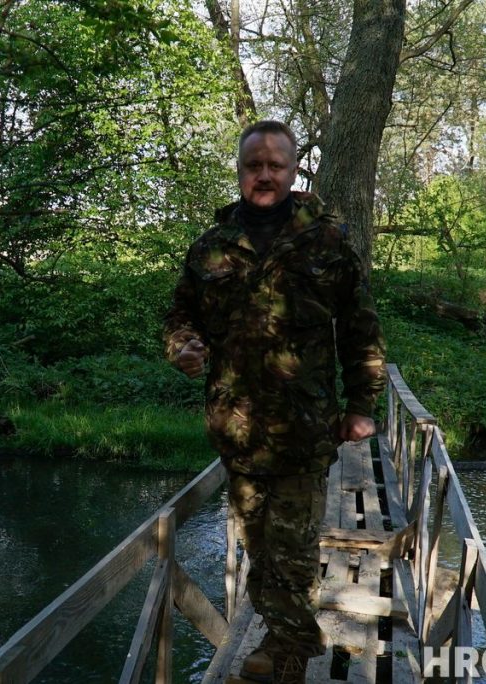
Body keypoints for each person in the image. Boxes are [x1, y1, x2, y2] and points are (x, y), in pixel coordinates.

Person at [162, 120, 386, 683]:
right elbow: (180, 317)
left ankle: (289, 652)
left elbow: (361, 330)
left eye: (275, 165)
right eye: (253, 165)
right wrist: (182, 347)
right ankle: (280, 633)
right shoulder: (211, 246)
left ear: (292, 171)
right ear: (240, 170)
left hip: (305, 429)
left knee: (289, 548)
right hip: (235, 430)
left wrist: (361, 407)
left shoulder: (327, 242)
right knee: (259, 546)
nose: (264, 175)